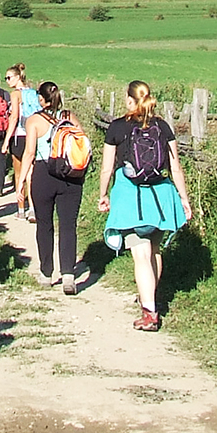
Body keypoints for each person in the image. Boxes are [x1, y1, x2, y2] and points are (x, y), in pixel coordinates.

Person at [97, 80, 191, 331]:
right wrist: (184, 199)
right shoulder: (162, 126)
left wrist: (103, 194)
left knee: (140, 254)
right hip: (161, 195)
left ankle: (149, 312)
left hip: (130, 196)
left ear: (129, 101)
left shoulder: (117, 127)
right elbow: (175, 167)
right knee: (155, 251)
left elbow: (107, 168)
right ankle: (149, 297)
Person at [20, 81, 85, 293]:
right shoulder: (69, 116)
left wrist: (21, 179)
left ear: (41, 99)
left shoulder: (34, 121)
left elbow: (29, 152)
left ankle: (47, 272)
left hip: (43, 174)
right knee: (68, 226)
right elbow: (82, 143)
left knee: (44, 225)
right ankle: (68, 275)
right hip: (70, 175)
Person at [3, 63, 42, 219]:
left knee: (19, 174)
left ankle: (21, 209)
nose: (7, 81)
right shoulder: (33, 92)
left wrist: (6, 141)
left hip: (20, 135)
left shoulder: (15, 94)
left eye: (9, 77)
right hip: (34, 135)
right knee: (31, 173)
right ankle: (33, 208)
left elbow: (14, 119)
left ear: (18, 77)